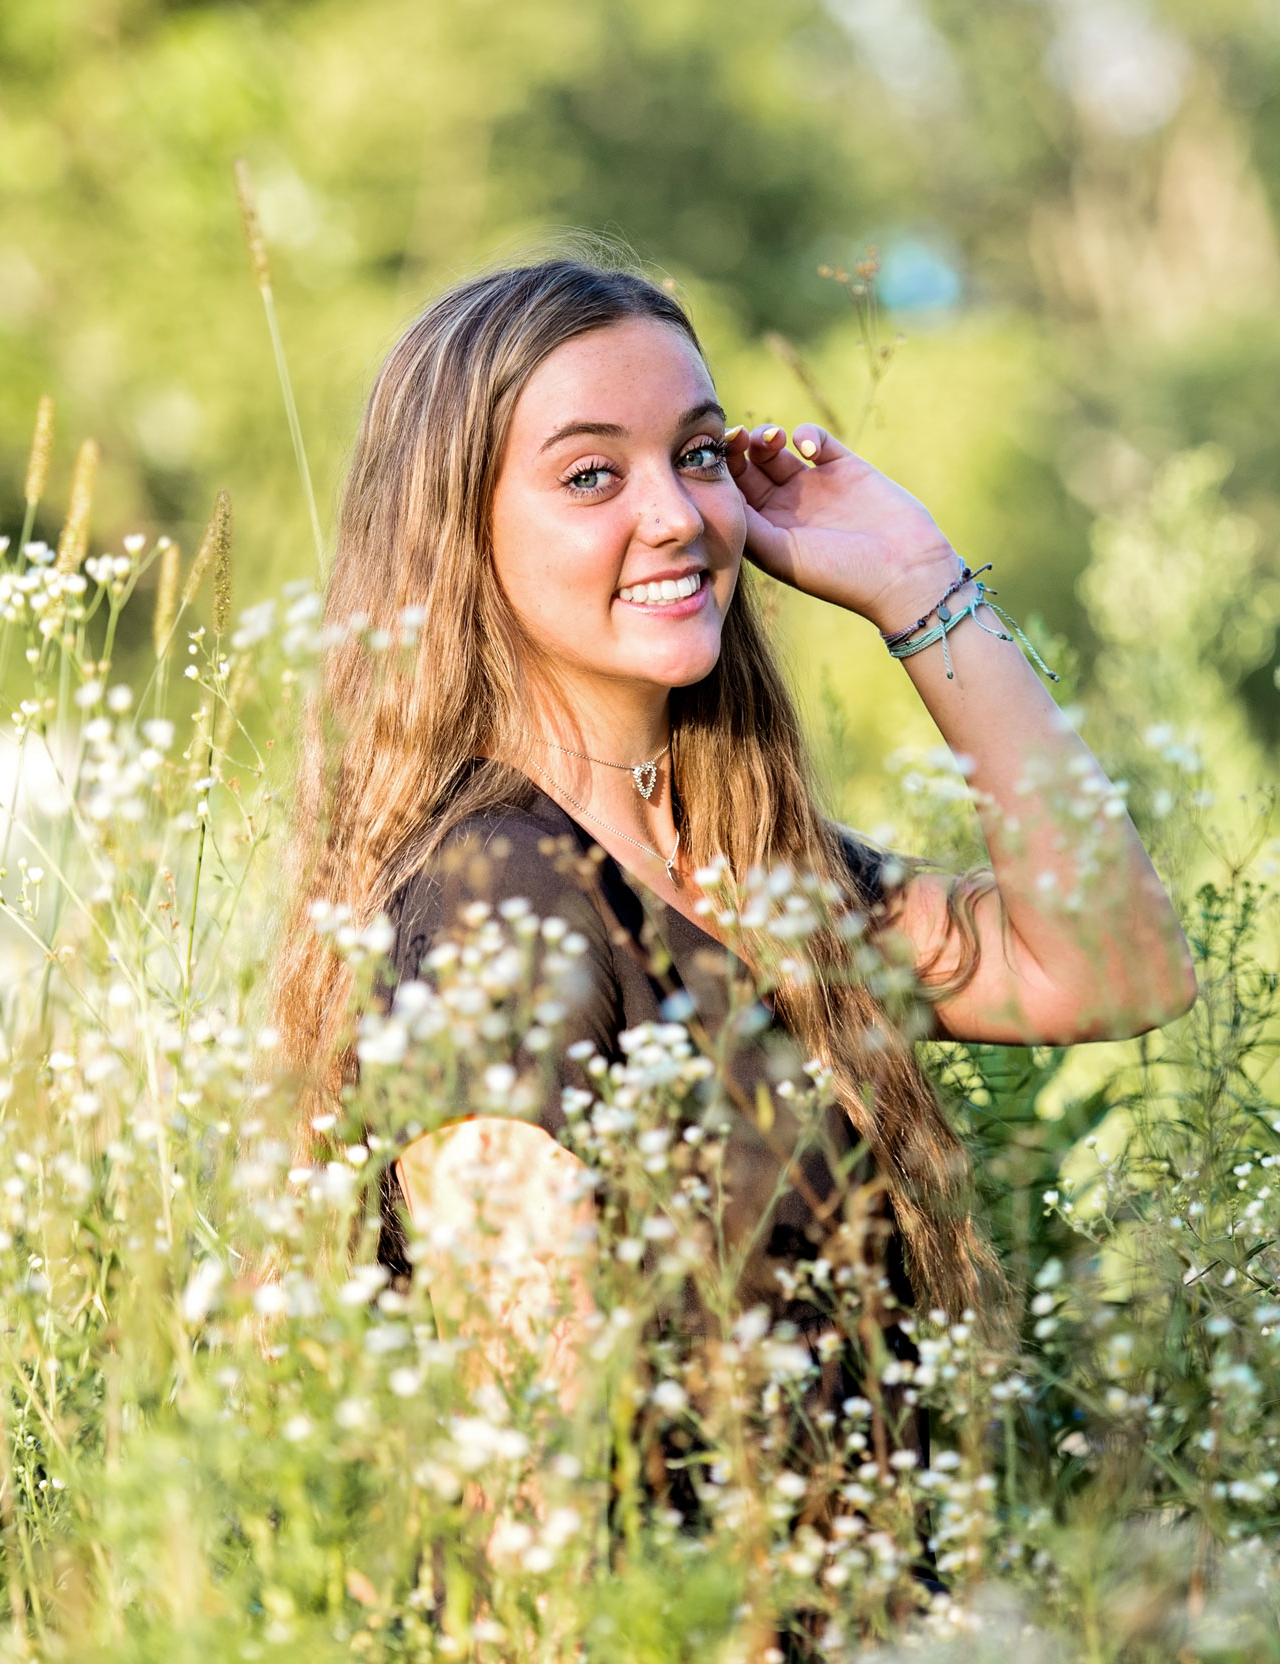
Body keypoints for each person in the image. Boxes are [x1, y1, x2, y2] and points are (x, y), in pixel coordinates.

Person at [269, 256, 1194, 1439]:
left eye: (697, 454)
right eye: (592, 473)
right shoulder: (495, 901)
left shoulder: (751, 864)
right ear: (456, 532)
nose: (677, 515)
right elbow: (538, 1465)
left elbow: (1119, 967)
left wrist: (922, 585)